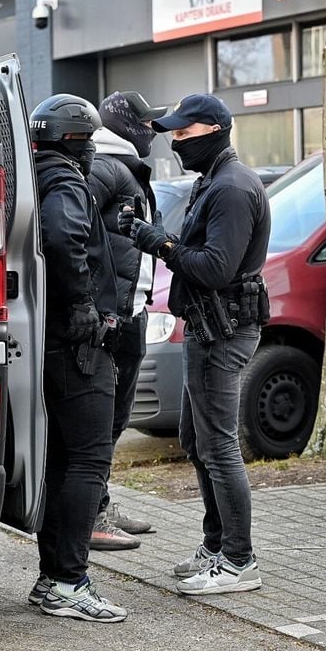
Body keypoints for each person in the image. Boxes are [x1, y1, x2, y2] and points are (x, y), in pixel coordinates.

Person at [120, 94, 271, 596]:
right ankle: (216, 545)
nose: (177, 143)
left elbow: (215, 268)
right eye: (174, 135)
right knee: (195, 437)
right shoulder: (215, 180)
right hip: (209, 327)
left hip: (222, 331)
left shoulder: (231, 187)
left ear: (214, 130)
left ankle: (238, 560)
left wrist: (157, 242)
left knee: (218, 445)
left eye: (184, 134)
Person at [29, 94, 127, 622]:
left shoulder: (32, 175)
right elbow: (64, 237)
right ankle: (68, 582)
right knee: (90, 460)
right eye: (88, 141)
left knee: (64, 461)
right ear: (74, 141)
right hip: (78, 345)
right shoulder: (65, 181)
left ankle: (53, 578)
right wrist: (84, 303)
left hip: (50, 340)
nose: (92, 151)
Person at [85, 91, 166, 551]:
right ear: (127, 125)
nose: (153, 131)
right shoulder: (105, 166)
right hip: (113, 319)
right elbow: (70, 230)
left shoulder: (123, 166)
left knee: (115, 421)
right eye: (147, 122)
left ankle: (101, 503)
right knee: (103, 423)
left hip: (128, 313)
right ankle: (92, 516)